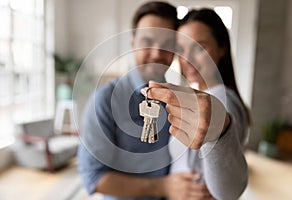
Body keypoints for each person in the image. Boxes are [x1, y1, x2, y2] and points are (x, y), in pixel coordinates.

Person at [77, 2, 206, 200]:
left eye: (167, 45)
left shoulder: (180, 99)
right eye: (147, 42)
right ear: (132, 43)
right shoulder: (104, 101)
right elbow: (94, 177)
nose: (156, 54)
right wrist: (163, 187)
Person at [142, 9, 250, 200]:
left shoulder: (223, 103)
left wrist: (219, 130)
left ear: (222, 47)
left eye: (200, 48)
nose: (187, 59)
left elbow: (228, 191)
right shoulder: (197, 96)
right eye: (181, 50)